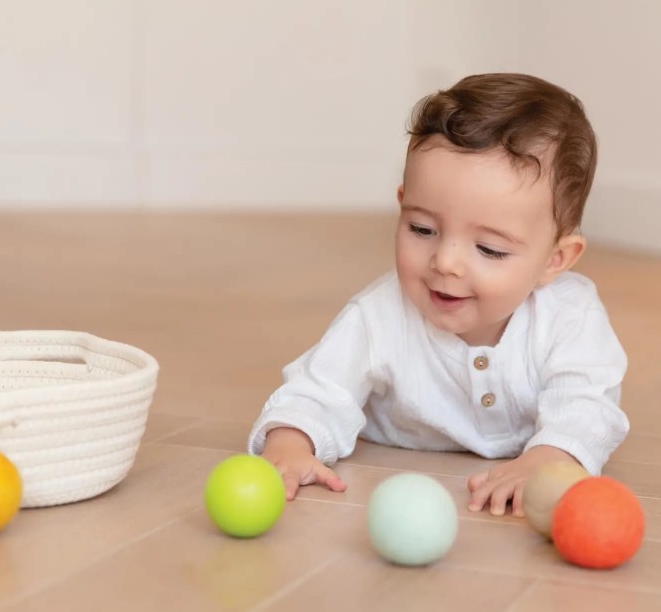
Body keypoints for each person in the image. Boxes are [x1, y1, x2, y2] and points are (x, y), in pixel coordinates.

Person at [247, 72, 629, 517]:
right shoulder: (379, 315)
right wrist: (291, 444)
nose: (444, 262)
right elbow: (317, 390)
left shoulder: (571, 315)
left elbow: (588, 405)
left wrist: (552, 458)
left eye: (490, 249)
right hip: (395, 456)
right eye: (422, 229)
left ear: (555, 260)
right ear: (402, 204)